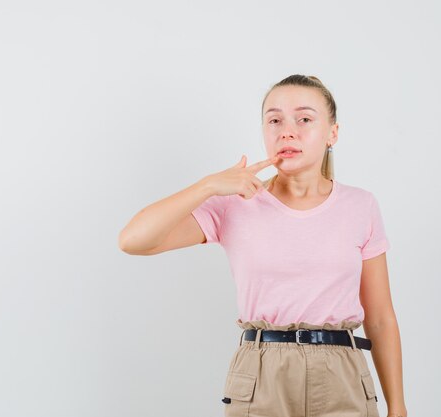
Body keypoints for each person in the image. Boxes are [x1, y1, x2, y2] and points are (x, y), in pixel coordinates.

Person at [118, 74, 407, 417]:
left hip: (341, 373)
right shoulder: (235, 204)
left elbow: (380, 318)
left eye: (304, 119)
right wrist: (208, 185)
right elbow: (133, 240)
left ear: (333, 133)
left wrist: (397, 407)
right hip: (260, 372)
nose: (287, 131)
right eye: (274, 120)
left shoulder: (361, 206)